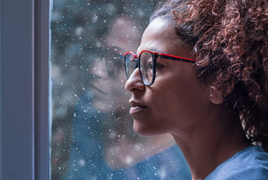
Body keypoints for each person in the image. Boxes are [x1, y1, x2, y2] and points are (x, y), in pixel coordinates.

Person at [124, 0, 268, 179]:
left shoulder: (249, 175)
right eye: (137, 64)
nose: (130, 83)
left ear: (219, 83)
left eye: (153, 65)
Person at [62, 15, 191, 180]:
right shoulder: (89, 112)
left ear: (153, 70)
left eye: (116, 62)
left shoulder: (179, 164)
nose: (96, 70)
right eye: (101, 54)